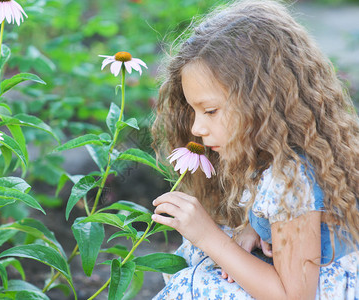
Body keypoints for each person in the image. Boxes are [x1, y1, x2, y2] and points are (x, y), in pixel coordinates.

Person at [150, 0, 359, 299]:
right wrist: (255, 228)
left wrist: (207, 235)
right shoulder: (280, 153)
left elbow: (295, 297)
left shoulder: (290, 176)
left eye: (210, 111)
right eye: (193, 111)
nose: (196, 128)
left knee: (196, 280)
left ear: (262, 103)